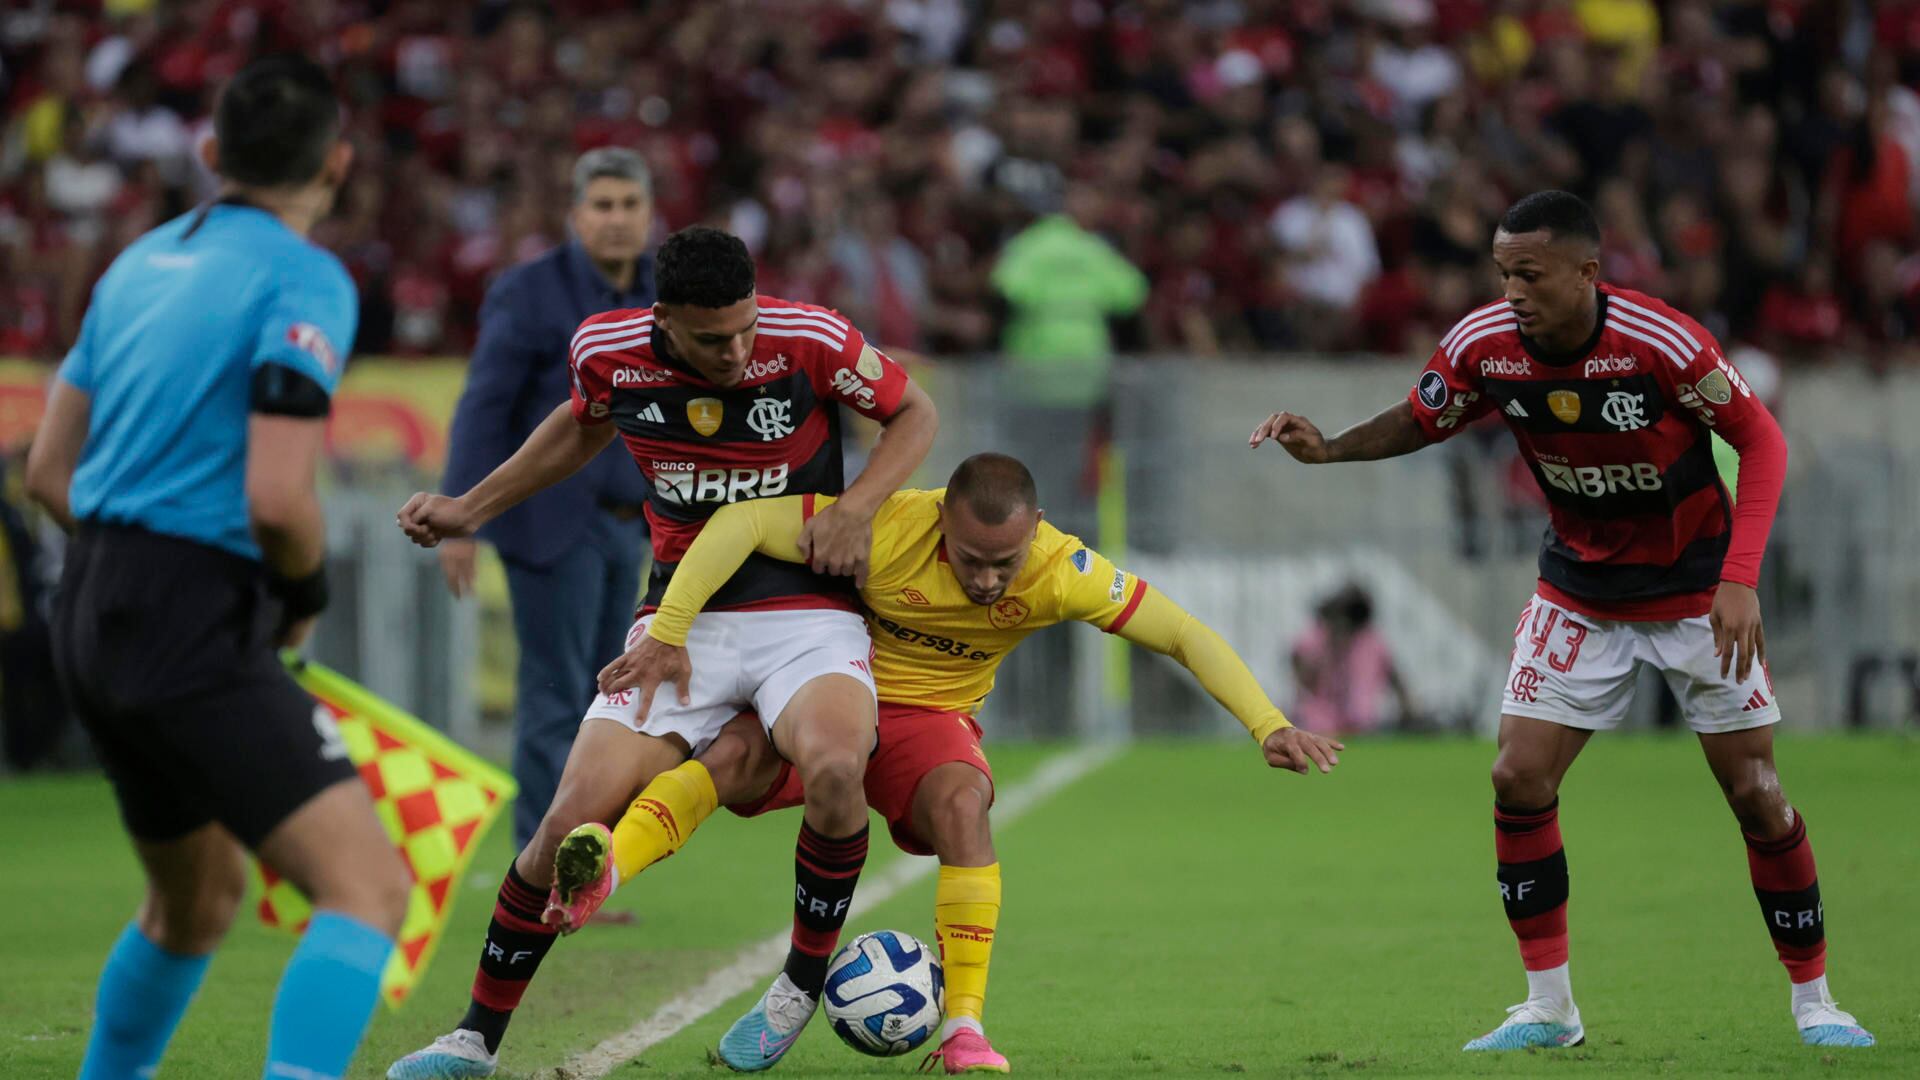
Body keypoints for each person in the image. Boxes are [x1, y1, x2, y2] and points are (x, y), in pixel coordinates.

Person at [1249, 190, 1875, 1051]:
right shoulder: (1483, 345)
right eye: (1505, 272)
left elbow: (1762, 442)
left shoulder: (1662, 343)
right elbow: (1422, 416)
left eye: (1531, 274)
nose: (1513, 290)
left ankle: (1817, 1004)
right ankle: (1550, 1009)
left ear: (1587, 271)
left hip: (1698, 595)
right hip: (1580, 592)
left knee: (1758, 798)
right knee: (1517, 777)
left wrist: (1740, 579)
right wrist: (1329, 449)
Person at [552, 452, 1345, 1073]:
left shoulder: (1062, 570)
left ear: (1037, 526)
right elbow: (743, 523)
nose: (989, 579)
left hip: (929, 723)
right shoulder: (887, 524)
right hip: (827, 691)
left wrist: (1266, 722)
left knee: (967, 805)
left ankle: (964, 1027)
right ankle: (604, 873)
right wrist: (673, 625)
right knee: (728, 755)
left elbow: (1181, 631)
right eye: (971, 559)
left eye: (1005, 561)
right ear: (942, 523)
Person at [387, 225, 939, 1079]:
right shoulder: (606, 350)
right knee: (568, 820)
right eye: (713, 338)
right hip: (681, 620)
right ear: (665, 321)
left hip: (807, 613)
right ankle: (472, 1040)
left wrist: (858, 505)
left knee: (836, 768)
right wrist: (471, 507)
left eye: (746, 328)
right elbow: (582, 427)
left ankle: (798, 984)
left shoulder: (812, 338)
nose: (738, 350)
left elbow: (914, 411)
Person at [25, 54, 413, 1080]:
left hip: (93, 608)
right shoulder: (305, 277)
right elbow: (278, 497)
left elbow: (48, 471)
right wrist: (299, 596)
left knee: (193, 906)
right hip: (190, 618)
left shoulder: (137, 264)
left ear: (209, 153)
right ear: (337, 161)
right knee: (368, 890)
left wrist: (133, 561)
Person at [439, 146, 658, 851]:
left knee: (612, 703)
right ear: (575, 215)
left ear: (649, 213)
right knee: (557, 696)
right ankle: (541, 866)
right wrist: (461, 515)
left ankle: (588, 862)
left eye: (629, 205)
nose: (617, 219)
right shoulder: (529, 291)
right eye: (603, 205)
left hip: (635, 525)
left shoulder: (665, 289)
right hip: (552, 523)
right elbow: (485, 406)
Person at [1289, 583, 1418, 735]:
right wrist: (1330, 647)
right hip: (1320, 725)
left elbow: (1394, 677)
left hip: (1361, 724)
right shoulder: (1317, 639)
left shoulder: (1372, 643)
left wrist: (1408, 710)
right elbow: (1305, 680)